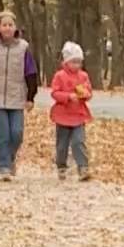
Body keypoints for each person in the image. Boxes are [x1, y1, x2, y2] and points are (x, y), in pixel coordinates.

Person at [0, 10, 38, 180]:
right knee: (2, 133)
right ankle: (3, 166)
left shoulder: (23, 48)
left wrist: (30, 97)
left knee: (16, 133)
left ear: (15, 28)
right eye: (4, 25)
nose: (7, 28)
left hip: (17, 98)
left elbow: (31, 73)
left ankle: (11, 157)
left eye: (10, 25)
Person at [50, 41, 94, 181]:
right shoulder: (59, 76)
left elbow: (88, 92)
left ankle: (83, 167)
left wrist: (85, 95)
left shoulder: (83, 76)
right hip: (62, 115)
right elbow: (55, 93)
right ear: (66, 62)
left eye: (79, 62)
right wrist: (68, 97)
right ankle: (61, 166)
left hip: (78, 115)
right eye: (73, 62)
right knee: (62, 144)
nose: (76, 65)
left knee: (78, 141)